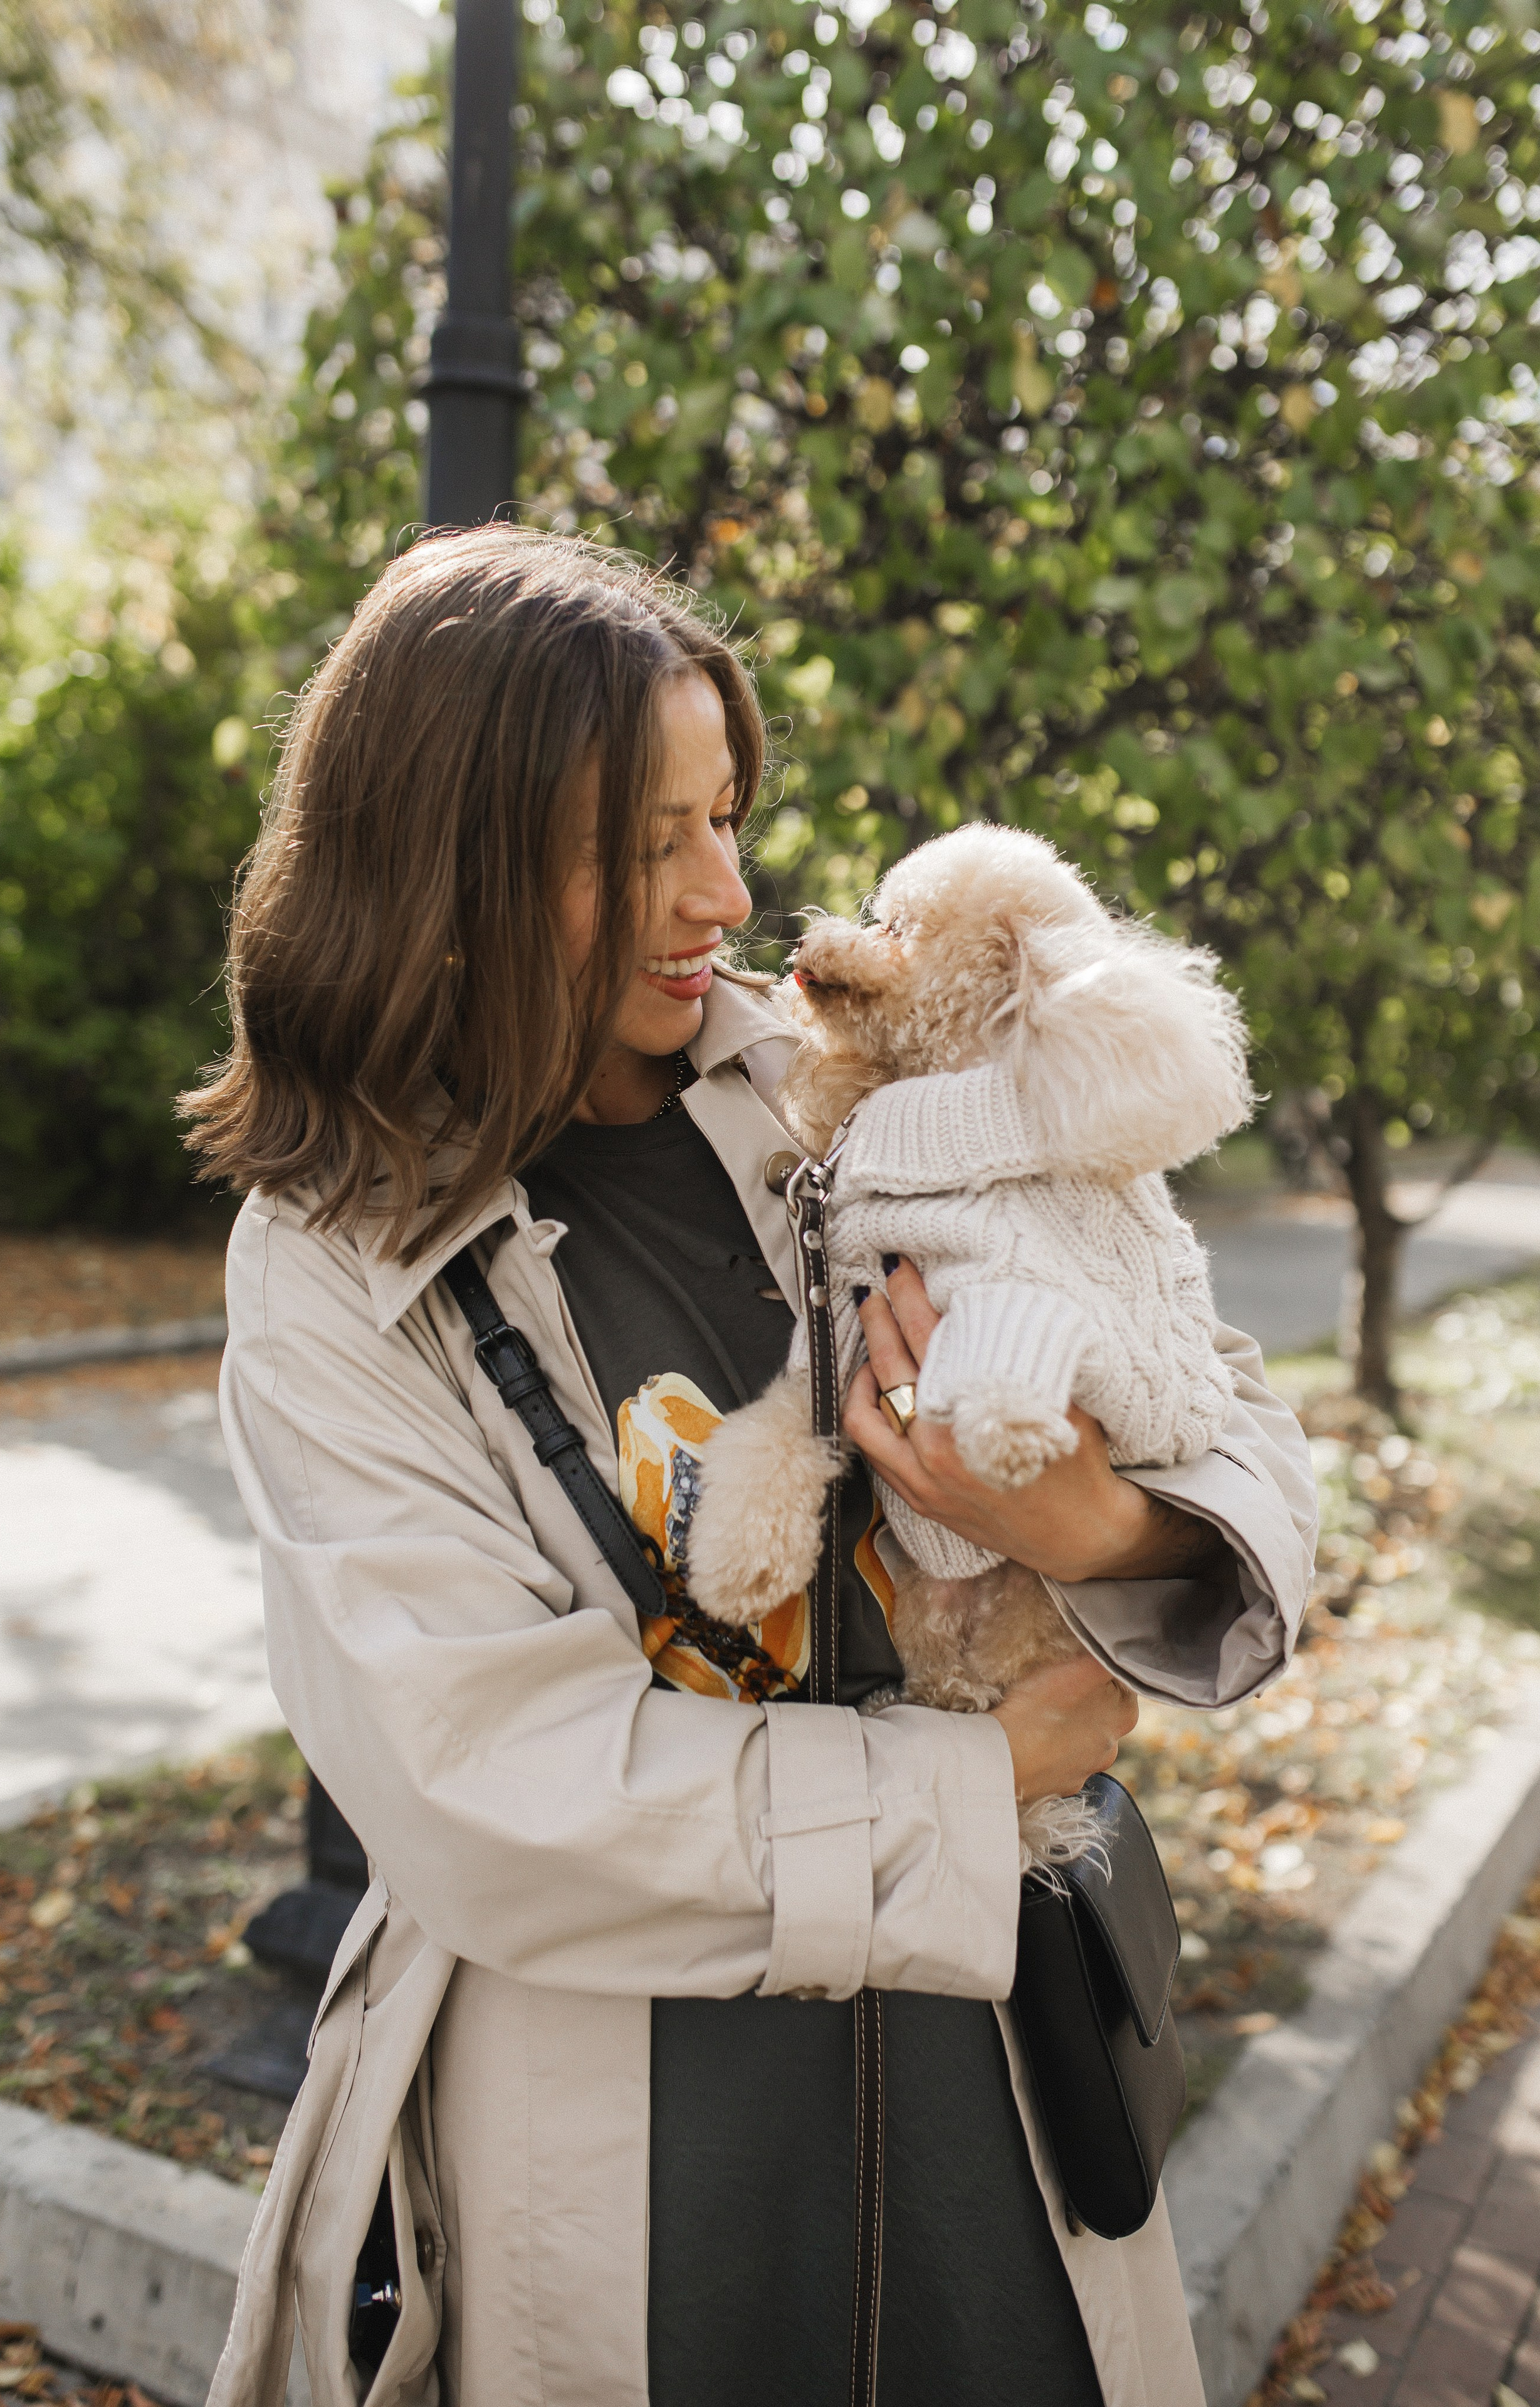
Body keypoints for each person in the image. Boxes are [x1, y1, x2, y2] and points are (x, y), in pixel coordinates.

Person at [186, 526, 1316, 2407]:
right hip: (622, 2171)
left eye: (727, 816)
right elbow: (485, 1790)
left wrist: (1092, 1525)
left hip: (996, 2121)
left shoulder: (850, 1098)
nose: (728, 892)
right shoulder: (326, 1270)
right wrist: (968, 1792)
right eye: (645, 843)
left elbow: (1224, 1396)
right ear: (446, 856)